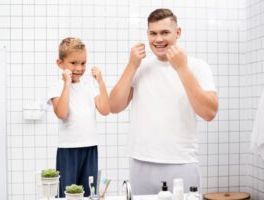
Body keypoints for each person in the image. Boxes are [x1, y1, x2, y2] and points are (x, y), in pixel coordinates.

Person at [109, 8, 218, 194]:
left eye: (165, 32)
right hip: (141, 161)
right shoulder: (139, 67)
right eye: (153, 33)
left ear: (178, 33)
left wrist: (182, 69)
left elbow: (209, 113)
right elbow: (114, 106)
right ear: (147, 34)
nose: (158, 39)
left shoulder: (198, 67)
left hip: (181, 162)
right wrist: (131, 65)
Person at [47, 37, 110, 197]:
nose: (79, 68)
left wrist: (101, 82)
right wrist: (67, 83)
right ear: (60, 63)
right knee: (68, 192)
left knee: (89, 192)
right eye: (73, 63)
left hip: (90, 146)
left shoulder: (89, 85)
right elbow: (62, 113)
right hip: (68, 149)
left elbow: (104, 109)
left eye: (83, 63)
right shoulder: (57, 86)